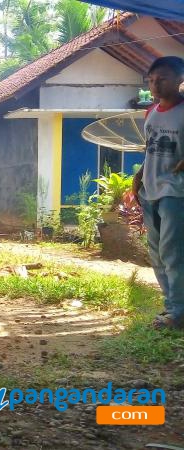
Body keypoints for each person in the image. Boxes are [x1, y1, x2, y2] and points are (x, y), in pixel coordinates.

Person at [132, 56, 184, 331]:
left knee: (172, 252)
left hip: (176, 191)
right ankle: (171, 307)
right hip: (149, 189)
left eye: (162, 79)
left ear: (179, 80)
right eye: (151, 80)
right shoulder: (151, 112)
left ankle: (178, 312)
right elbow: (150, 147)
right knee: (157, 254)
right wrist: (139, 176)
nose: (155, 84)